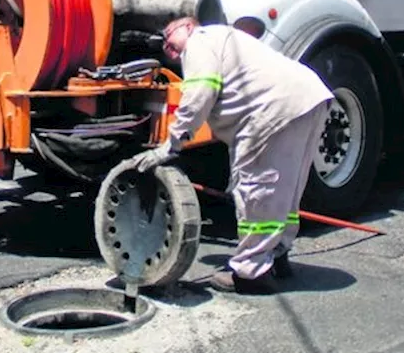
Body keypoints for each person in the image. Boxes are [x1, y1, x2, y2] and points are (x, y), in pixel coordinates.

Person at [132, 16, 335, 294]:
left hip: (272, 109)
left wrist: (172, 144)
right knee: (285, 190)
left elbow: (200, 93)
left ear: (190, 26)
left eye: (169, 34)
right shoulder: (226, 42)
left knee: (256, 191)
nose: (166, 44)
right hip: (308, 98)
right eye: (163, 43)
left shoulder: (201, 41)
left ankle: (251, 272)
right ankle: (277, 255)